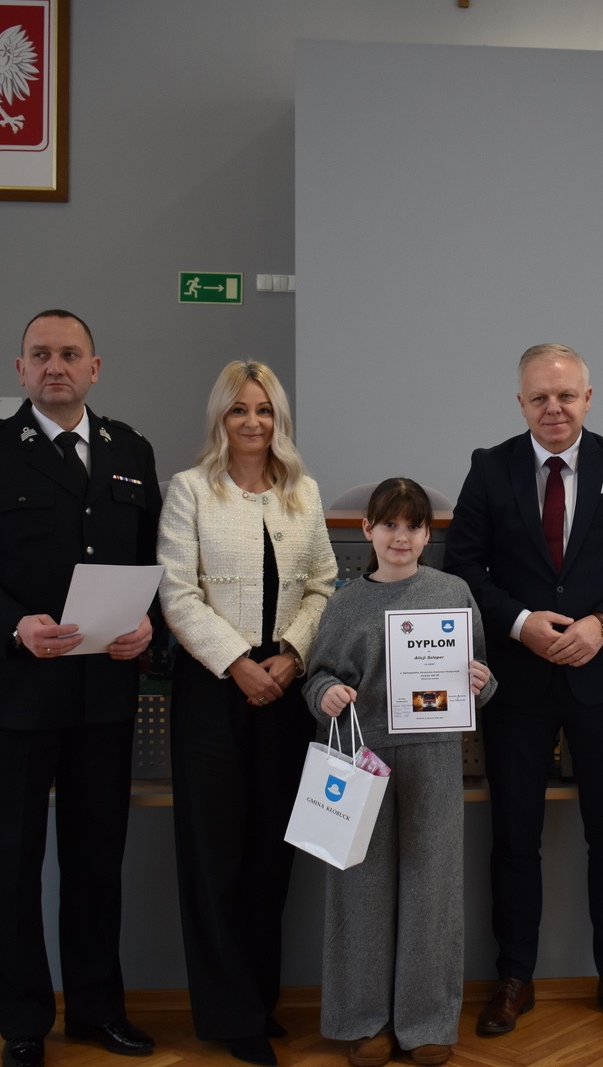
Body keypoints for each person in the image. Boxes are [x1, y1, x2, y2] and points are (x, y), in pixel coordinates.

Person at [0, 310, 160, 1067]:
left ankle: (96, 1010)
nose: (55, 365)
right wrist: (12, 625)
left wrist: (149, 624)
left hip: (103, 693)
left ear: (95, 367)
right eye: (40, 354)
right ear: (20, 369)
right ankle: (23, 1021)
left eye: (69, 353)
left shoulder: (130, 450)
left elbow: (153, 561)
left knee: (97, 862)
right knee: (13, 863)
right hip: (19, 692)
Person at [443, 344, 603, 1037]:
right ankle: (514, 977)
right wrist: (520, 623)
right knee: (514, 838)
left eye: (566, 395)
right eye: (540, 397)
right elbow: (462, 565)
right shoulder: (490, 466)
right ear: (520, 403)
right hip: (518, 682)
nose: (554, 408)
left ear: (588, 398)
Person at [156, 360, 337, 1066]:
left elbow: (323, 584)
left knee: (270, 853)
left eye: (263, 410)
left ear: (278, 418)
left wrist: (291, 655)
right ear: (220, 419)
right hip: (214, 687)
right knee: (216, 855)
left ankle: (261, 1001)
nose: (252, 422)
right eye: (239, 410)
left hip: (283, 688)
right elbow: (177, 593)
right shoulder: (190, 489)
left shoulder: (302, 492)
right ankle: (230, 1014)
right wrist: (237, 663)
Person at [303, 478, 496, 1067]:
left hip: (433, 757)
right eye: (389, 524)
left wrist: (482, 683)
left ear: (427, 534)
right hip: (364, 758)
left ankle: (427, 1022)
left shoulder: (452, 592)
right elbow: (316, 677)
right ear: (367, 530)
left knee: (432, 890)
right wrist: (326, 693)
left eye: (413, 526)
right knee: (360, 890)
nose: (401, 537)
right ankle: (364, 1022)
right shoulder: (344, 604)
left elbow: (480, 674)